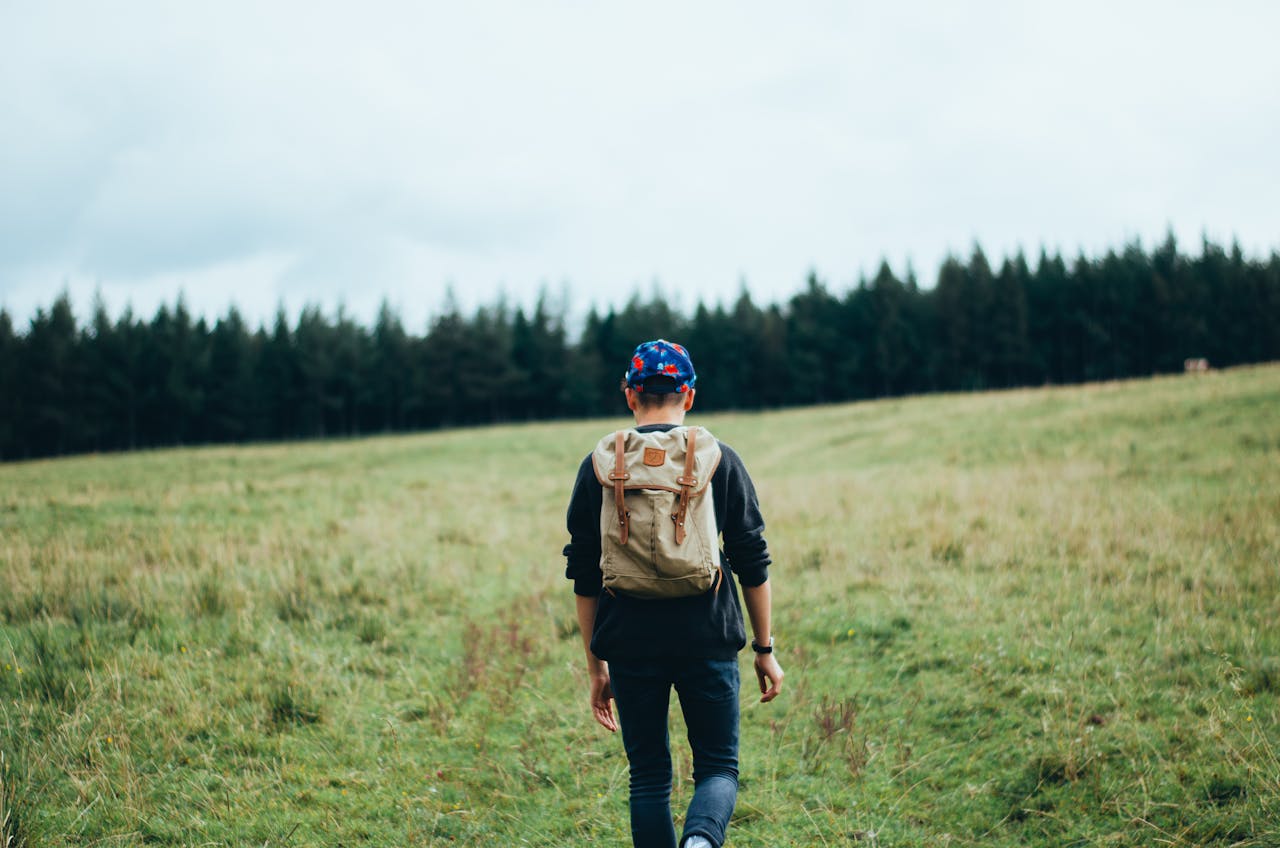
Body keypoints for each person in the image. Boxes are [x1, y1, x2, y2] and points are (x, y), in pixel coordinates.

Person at [563, 339, 784, 848]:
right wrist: (765, 650)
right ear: (688, 394)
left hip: (629, 643)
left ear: (629, 396)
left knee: (648, 778)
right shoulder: (718, 459)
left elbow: (584, 572)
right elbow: (752, 559)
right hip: (707, 636)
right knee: (718, 768)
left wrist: (597, 667)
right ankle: (701, 842)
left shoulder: (598, 465)